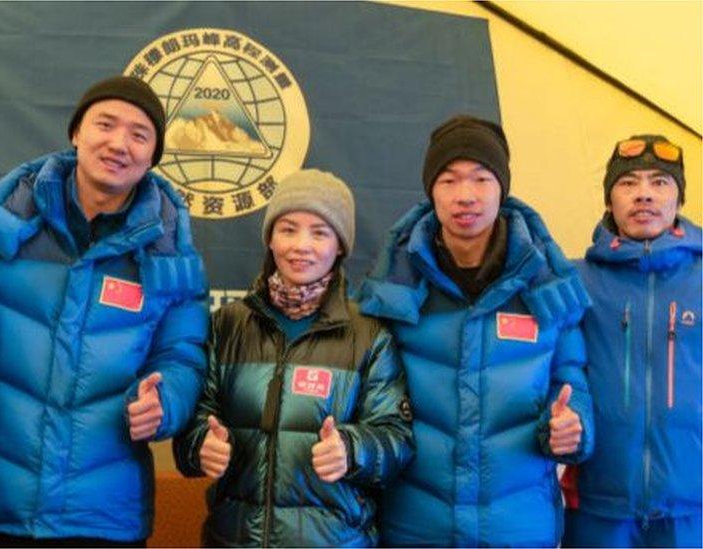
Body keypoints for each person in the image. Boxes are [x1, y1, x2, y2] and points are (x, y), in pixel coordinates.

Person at [0, 75, 208, 547]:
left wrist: (165, 402)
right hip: (2, 506)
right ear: (76, 133)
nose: (119, 144)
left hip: (105, 515)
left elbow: (183, 356)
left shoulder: (173, 255)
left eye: (139, 134)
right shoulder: (0, 227)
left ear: (153, 157)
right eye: (105, 125)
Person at [356, 115, 595, 546]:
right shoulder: (393, 285)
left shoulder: (548, 285)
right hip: (414, 527)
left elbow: (571, 383)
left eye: (481, 179)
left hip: (518, 527)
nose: (465, 196)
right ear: (431, 190)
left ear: (502, 188)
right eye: (449, 180)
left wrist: (572, 426)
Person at [173, 169, 414, 547]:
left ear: (340, 246)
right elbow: (191, 422)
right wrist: (199, 444)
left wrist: (352, 450)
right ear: (270, 239)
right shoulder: (228, 325)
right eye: (288, 229)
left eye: (320, 232)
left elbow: (397, 440)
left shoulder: (370, 335)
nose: (301, 245)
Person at [561, 135, 702, 547]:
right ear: (609, 200)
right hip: (598, 508)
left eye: (660, 182)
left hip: (692, 509)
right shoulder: (574, 281)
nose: (644, 194)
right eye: (628, 183)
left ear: (679, 198)